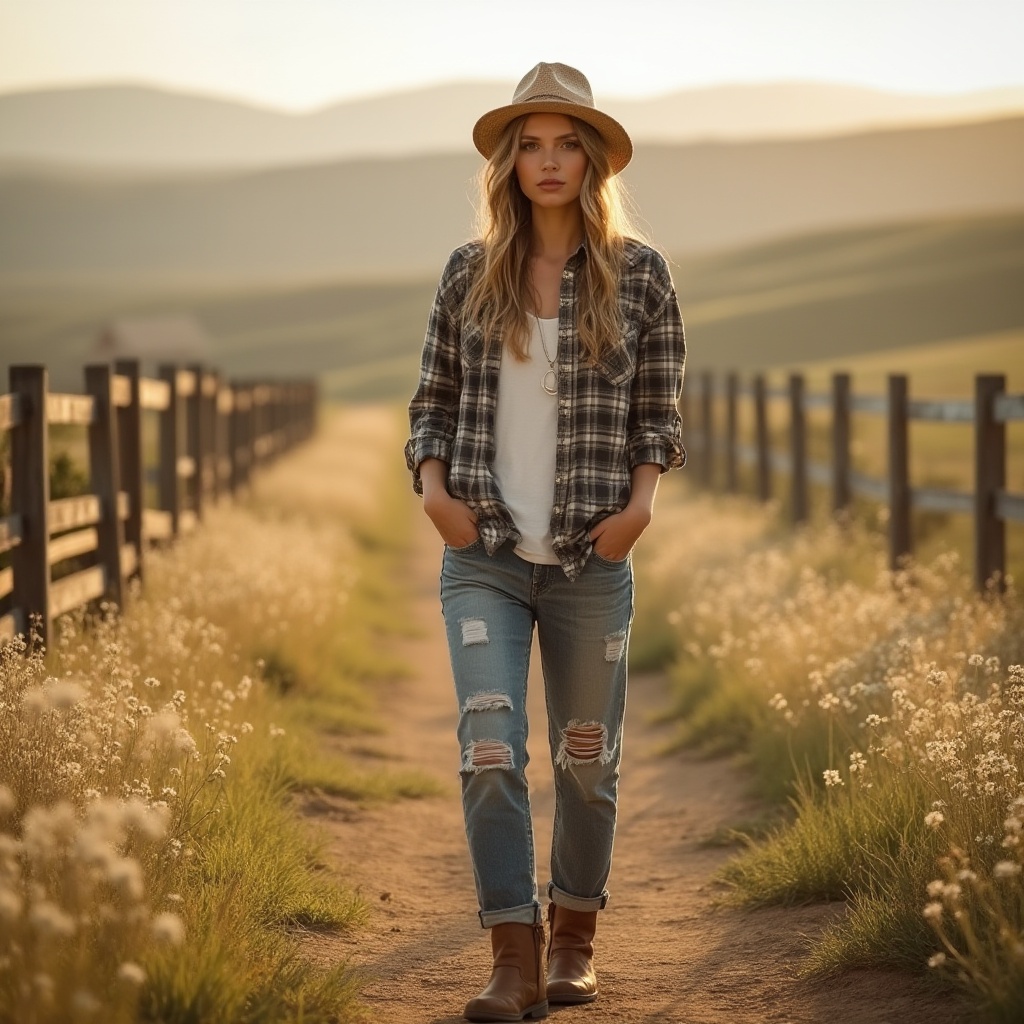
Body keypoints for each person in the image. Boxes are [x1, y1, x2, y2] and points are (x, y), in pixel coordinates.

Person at [405, 61, 686, 1022]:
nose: (549, 160)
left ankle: (573, 943)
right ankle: (510, 961)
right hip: (480, 551)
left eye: (568, 142)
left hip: (589, 560)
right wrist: (435, 492)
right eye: (531, 143)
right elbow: (431, 402)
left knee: (586, 757)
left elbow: (659, 412)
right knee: (490, 749)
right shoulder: (466, 271)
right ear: (508, 160)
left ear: (595, 158)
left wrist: (639, 508)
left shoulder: (641, 275)